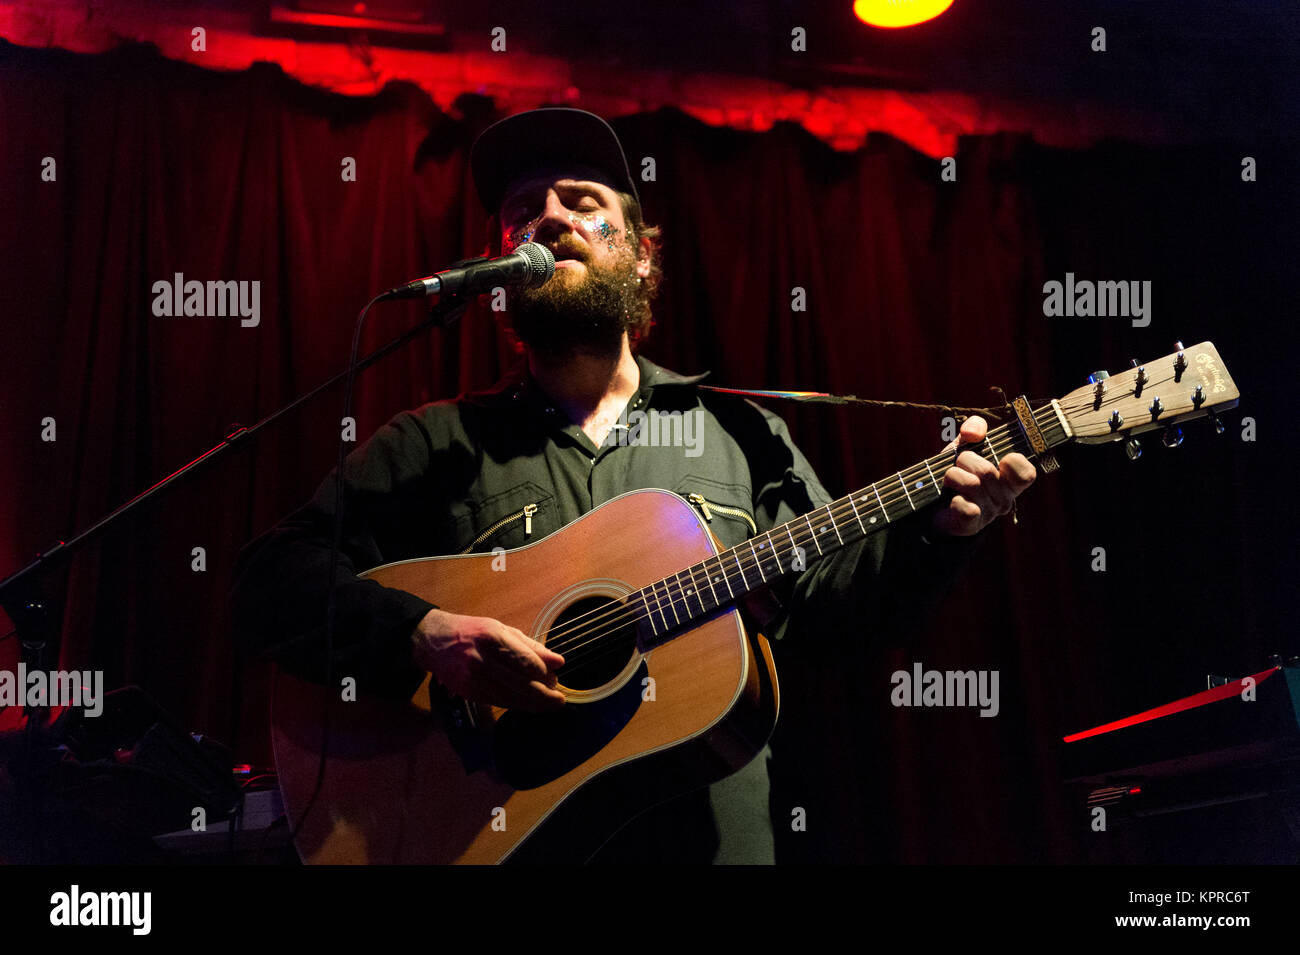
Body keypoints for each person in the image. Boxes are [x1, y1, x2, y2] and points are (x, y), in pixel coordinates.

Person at [230, 108, 1036, 863]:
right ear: (497, 268)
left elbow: (844, 613)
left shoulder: (741, 437)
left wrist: (942, 533)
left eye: (580, 201)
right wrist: (427, 633)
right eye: (522, 210)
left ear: (643, 252)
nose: (547, 217)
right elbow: (269, 584)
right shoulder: (432, 444)